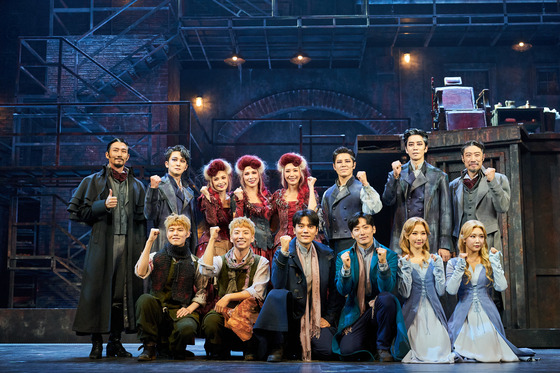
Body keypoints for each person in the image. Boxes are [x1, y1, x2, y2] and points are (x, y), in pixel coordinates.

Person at [67, 138, 146, 359]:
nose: (120, 154)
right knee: (99, 292)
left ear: (128, 157)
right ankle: (96, 343)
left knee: (121, 294)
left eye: (124, 151)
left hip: (128, 246)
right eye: (115, 151)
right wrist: (102, 206)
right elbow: (77, 212)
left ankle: (115, 342)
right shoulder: (93, 181)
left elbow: (142, 218)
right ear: (107, 155)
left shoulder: (137, 185)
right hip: (103, 244)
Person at [253, 209, 343, 362]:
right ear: (294, 229)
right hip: (289, 315)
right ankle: (279, 345)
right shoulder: (283, 251)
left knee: (327, 351)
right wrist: (284, 253)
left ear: (316, 230)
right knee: (276, 294)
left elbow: (335, 289)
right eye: (301, 226)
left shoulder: (326, 253)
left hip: (314, 314)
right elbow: (277, 284)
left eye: (310, 226)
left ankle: (298, 345)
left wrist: (328, 317)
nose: (305, 230)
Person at [446, 220, 535, 362]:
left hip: (487, 312)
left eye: (481, 236)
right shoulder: (454, 262)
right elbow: (451, 290)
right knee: (460, 346)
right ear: (464, 238)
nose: (478, 241)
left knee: (489, 349)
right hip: (463, 314)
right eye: (473, 236)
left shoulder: (489, 261)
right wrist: (461, 266)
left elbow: (501, 287)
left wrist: (496, 263)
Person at [333, 212, 408, 362]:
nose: (362, 232)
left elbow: (387, 287)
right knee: (348, 351)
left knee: (386, 299)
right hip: (357, 312)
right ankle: (370, 344)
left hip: (379, 308)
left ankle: (383, 347)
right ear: (352, 234)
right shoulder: (344, 256)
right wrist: (346, 269)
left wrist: (383, 264)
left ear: (373, 229)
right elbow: (343, 290)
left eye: (365, 227)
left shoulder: (389, 254)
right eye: (357, 229)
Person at [135, 214, 207, 360]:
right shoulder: (155, 256)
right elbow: (141, 272)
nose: (175, 233)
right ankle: (149, 348)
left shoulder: (195, 261)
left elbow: (201, 291)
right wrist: (149, 242)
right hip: (158, 310)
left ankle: (173, 348)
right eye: (171, 230)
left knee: (187, 328)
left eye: (180, 230)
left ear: (187, 234)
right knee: (144, 300)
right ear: (167, 233)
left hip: (179, 310)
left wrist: (189, 309)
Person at [199, 217, 270, 359]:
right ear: (231, 237)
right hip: (225, 311)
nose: (241, 236)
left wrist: (229, 296)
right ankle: (219, 350)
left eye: (245, 233)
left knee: (255, 320)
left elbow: (257, 292)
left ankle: (249, 349)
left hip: (249, 313)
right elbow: (205, 270)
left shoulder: (261, 262)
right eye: (236, 233)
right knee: (211, 321)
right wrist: (212, 239)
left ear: (252, 237)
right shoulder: (221, 260)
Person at [382, 128, 453, 260]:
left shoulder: (438, 176)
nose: (415, 148)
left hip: (428, 235)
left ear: (425, 148)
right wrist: (394, 178)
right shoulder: (396, 173)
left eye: (419, 144)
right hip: (403, 236)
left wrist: (445, 244)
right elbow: (387, 200)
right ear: (406, 149)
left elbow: (446, 213)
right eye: (411, 144)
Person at [397, 217, 454, 363]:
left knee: (441, 350)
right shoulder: (402, 260)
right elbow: (405, 293)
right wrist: (406, 270)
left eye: (423, 233)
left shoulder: (433, 259)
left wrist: (439, 269)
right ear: (407, 235)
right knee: (417, 350)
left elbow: (441, 291)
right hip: (413, 315)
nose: (419, 237)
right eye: (415, 233)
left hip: (434, 313)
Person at [449, 140, 510, 253]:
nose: (473, 159)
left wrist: (492, 182)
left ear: (483, 157)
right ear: (463, 158)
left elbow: (503, 207)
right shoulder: (454, 185)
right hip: (462, 244)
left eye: (477, 155)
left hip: (488, 242)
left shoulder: (499, 179)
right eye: (468, 155)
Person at [322, 147, 383, 255]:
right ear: (334, 166)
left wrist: (366, 184)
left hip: (357, 241)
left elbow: (375, 208)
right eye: (339, 162)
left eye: (347, 161)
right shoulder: (328, 193)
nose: (343, 165)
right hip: (333, 243)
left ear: (354, 165)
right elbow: (324, 220)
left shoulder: (361, 188)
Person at [145, 145, 197, 253]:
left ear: (186, 166)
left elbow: (192, 224)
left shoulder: (189, 192)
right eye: (174, 160)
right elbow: (149, 215)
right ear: (167, 164)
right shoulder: (158, 186)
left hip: (185, 246)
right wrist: (153, 190)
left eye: (182, 161)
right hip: (163, 243)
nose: (178, 164)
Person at [270, 153, 318, 247]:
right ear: (283, 174)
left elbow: (312, 212)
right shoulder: (278, 195)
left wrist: (311, 186)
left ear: (301, 173)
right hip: (282, 243)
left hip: (305, 241)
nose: (291, 174)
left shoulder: (309, 193)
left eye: (295, 170)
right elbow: (272, 224)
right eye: (288, 171)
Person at [233, 155, 274, 262]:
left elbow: (274, 223)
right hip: (249, 248)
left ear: (259, 174)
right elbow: (237, 224)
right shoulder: (238, 196)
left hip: (268, 248)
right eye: (247, 174)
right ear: (242, 177)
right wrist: (240, 201)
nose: (251, 177)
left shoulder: (268, 197)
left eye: (254, 173)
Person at [197, 158, 234, 257]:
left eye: (223, 177)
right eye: (216, 179)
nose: (220, 182)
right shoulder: (206, 198)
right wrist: (208, 197)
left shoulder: (233, 197)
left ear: (228, 178)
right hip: (212, 243)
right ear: (211, 181)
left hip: (231, 244)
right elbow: (212, 221)